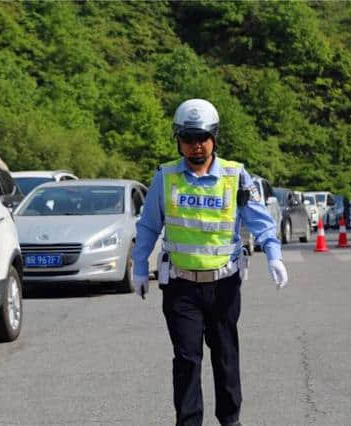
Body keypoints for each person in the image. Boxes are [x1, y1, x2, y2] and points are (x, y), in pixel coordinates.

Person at [132, 99, 287, 426]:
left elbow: (259, 221)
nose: (196, 146)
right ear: (178, 140)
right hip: (181, 287)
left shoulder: (235, 176)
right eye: (188, 139)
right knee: (187, 360)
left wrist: (273, 254)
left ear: (214, 137)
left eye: (202, 138)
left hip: (224, 285)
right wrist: (139, 265)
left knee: (226, 357)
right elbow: (148, 225)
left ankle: (230, 420)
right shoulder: (166, 177)